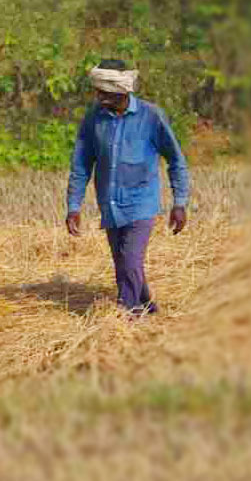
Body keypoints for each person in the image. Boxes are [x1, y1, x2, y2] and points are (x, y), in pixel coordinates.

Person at [66, 59, 192, 317]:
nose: (99, 97)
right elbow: (81, 164)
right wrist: (73, 206)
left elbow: (176, 160)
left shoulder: (151, 116)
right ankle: (147, 305)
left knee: (131, 260)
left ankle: (128, 314)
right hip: (110, 204)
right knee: (123, 262)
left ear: (122, 91)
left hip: (142, 202)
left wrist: (179, 203)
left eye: (105, 92)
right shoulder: (93, 119)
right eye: (98, 91)